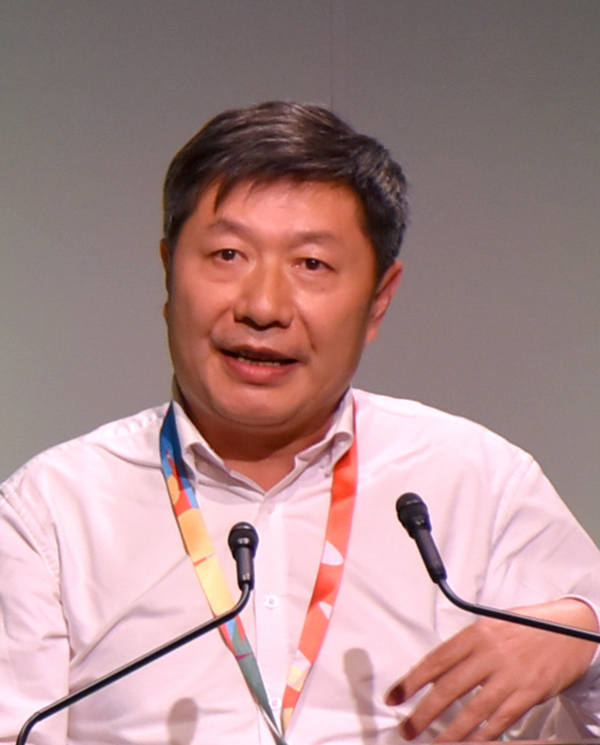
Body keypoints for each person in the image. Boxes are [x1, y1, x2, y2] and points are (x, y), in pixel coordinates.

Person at [1, 101, 599, 745]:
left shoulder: (477, 481)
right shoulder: (52, 511)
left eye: (311, 265)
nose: (263, 306)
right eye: (228, 254)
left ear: (378, 300)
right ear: (169, 274)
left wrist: (584, 641)